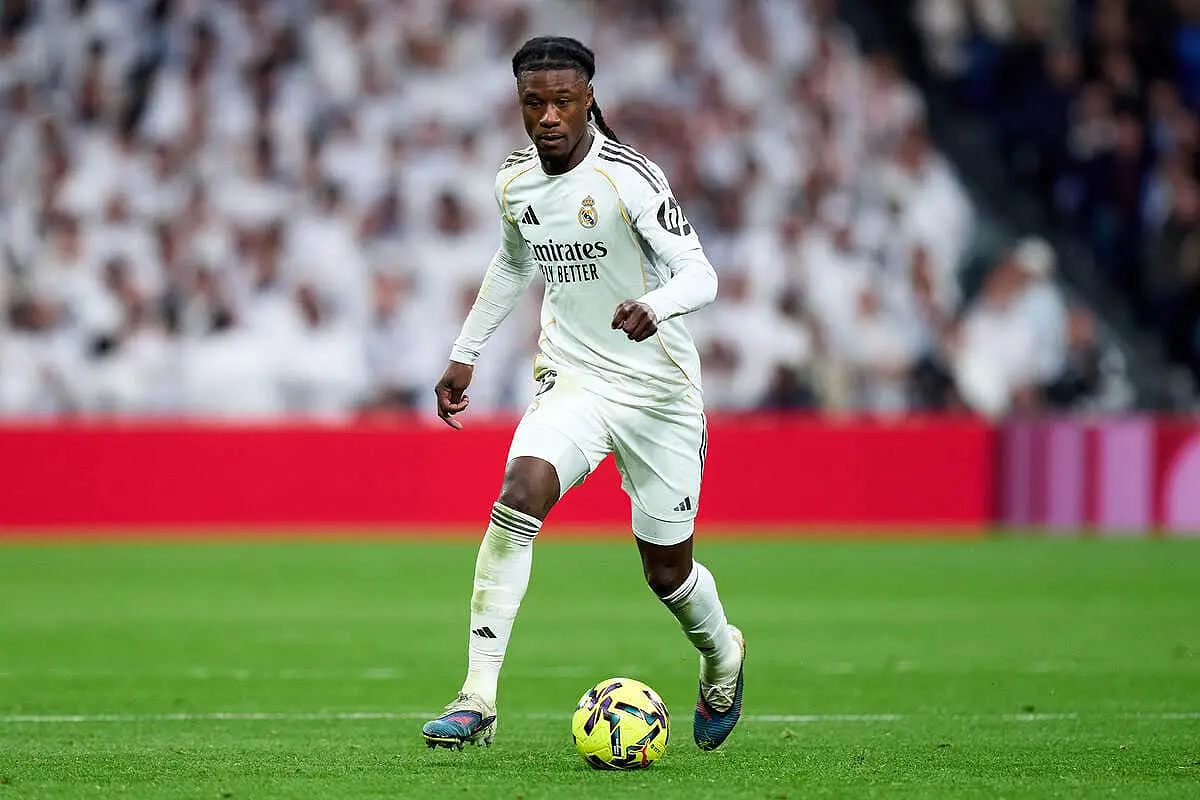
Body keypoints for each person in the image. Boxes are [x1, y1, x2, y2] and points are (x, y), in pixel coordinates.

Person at [422, 36, 744, 753]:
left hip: (659, 393)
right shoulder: (513, 182)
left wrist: (655, 306)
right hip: (574, 378)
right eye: (534, 102)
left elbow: (702, 274)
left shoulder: (629, 176)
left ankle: (722, 655)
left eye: (563, 100)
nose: (548, 116)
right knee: (517, 494)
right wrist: (464, 355)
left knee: (667, 572)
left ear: (589, 98)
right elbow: (512, 263)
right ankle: (477, 696)